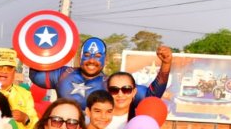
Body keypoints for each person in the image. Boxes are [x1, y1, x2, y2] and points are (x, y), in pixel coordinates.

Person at [29, 38, 173, 110]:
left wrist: (166, 64)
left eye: (97, 56)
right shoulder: (63, 74)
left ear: (106, 59)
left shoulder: (111, 84)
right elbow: (35, 75)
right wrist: (38, 46)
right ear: (80, 57)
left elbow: (151, 97)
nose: (92, 60)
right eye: (87, 55)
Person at [0, 48, 38, 129]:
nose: (4, 71)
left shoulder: (25, 95)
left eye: (9, 67)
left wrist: (25, 119)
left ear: (14, 72)